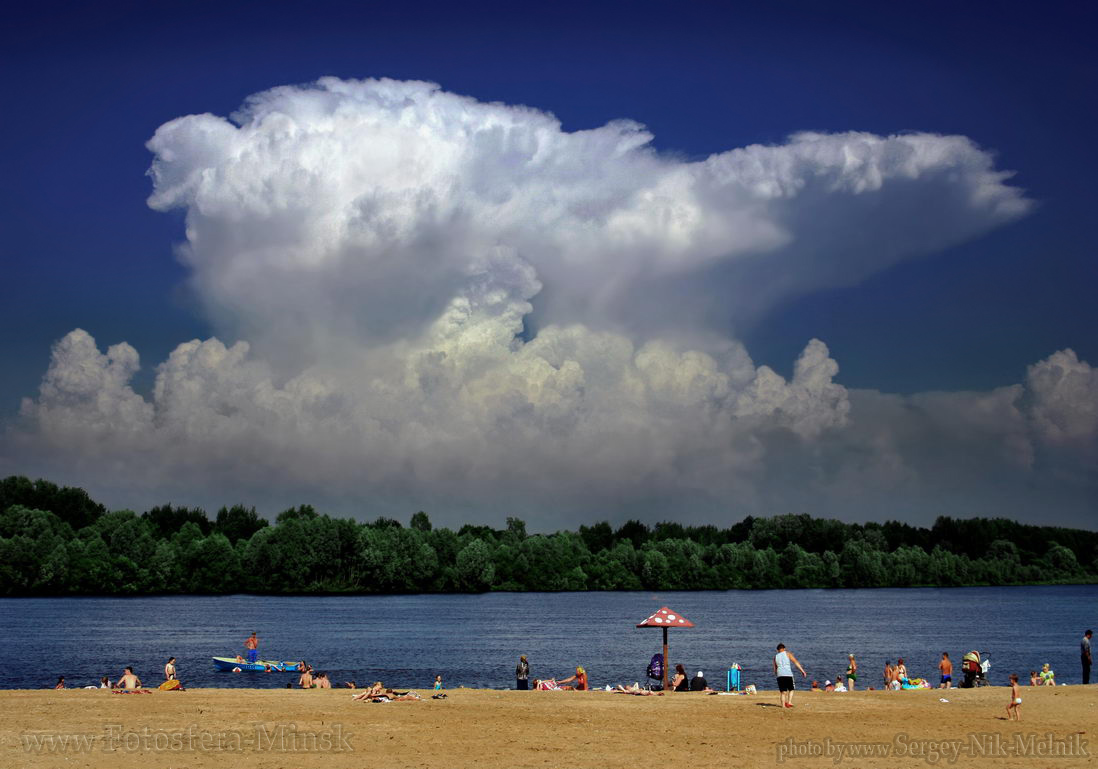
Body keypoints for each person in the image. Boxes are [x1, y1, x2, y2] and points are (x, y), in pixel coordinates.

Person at [773, 643, 807, 709]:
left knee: (783, 692)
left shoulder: (775, 657)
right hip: (788, 674)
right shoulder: (788, 654)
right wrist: (802, 671)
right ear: (784, 648)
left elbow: (775, 668)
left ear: (777, 650)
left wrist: (777, 675)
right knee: (791, 689)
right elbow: (795, 662)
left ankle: (783, 706)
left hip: (780, 675)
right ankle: (789, 702)